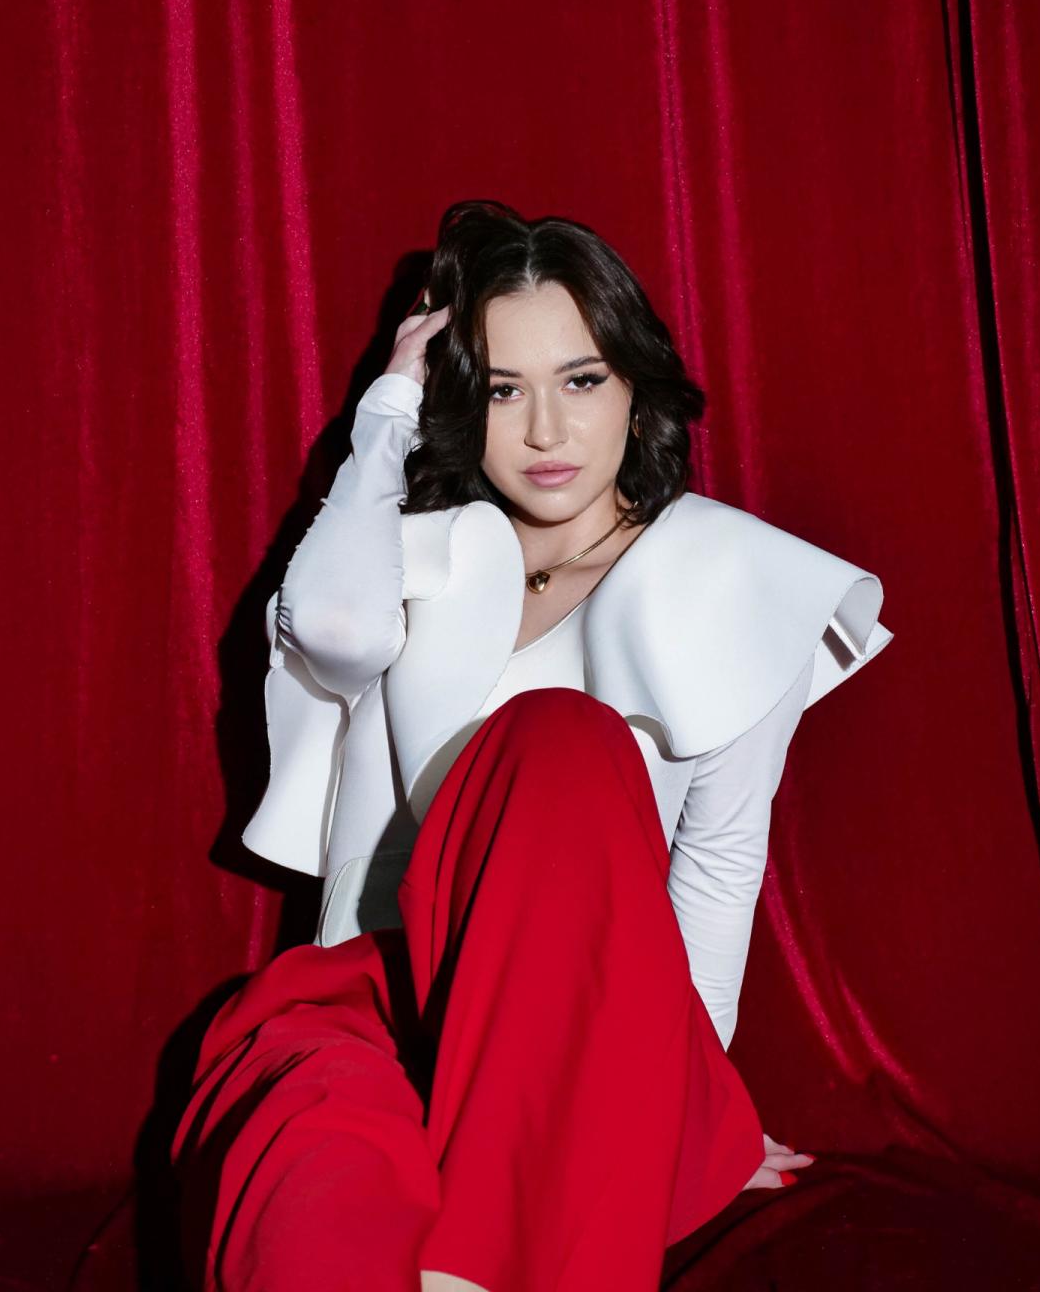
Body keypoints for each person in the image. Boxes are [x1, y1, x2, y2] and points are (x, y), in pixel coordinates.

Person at [170, 200, 895, 1291]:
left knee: (557, 741)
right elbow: (331, 626)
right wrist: (389, 406)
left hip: (570, 1043)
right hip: (368, 1005)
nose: (546, 432)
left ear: (636, 386)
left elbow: (718, 870)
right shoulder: (411, 558)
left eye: (582, 380)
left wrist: (684, 1106)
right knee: (305, 1178)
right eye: (505, 390)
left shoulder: (732, 580)